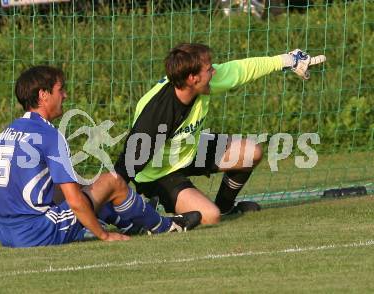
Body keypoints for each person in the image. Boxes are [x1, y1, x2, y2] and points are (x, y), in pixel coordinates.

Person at [0, 65, 201, 248]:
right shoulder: (49, 135)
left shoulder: (8, 133)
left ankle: (129, 221)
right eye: (60, 90)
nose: (65, 96)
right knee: (113, 181)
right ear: (44, 95)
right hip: (39, 231)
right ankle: (165, 226)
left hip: (6, 232)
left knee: (76, 185)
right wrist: (104, 235)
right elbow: (75, 202)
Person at [114, 43, 326, 225]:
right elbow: (131, 160)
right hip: (157, 171)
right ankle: (155, 214)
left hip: (188, 150)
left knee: (251, 152)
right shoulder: (158, 112)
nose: (214, 72)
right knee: (209, 216)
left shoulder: (198, 80)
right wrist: (113, 200)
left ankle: (225, 207)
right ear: (193, 78)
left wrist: (287, 60)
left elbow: (241, 69)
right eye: (209, 69)